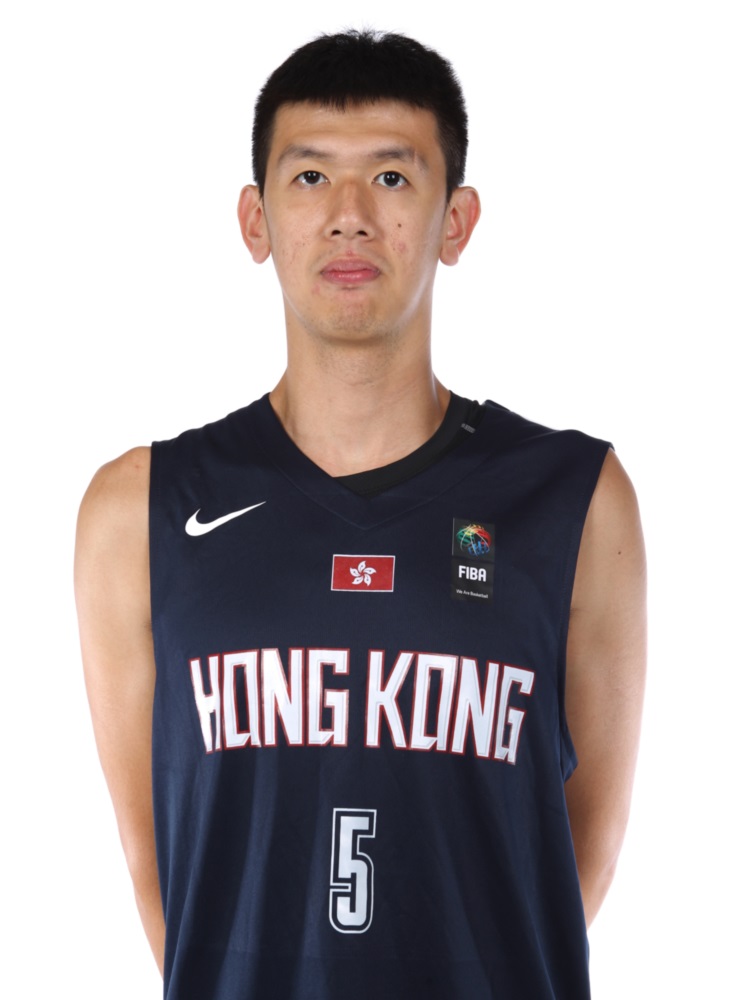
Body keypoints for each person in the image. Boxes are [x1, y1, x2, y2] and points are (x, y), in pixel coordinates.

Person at [75, 28, 646, 1000]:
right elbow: (160, 862)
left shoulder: (573, 496)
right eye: (309, 178)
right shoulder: (141, 507)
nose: (348, 217)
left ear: (454, 222)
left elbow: (571, 860)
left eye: (390, 177)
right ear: (255, 220)